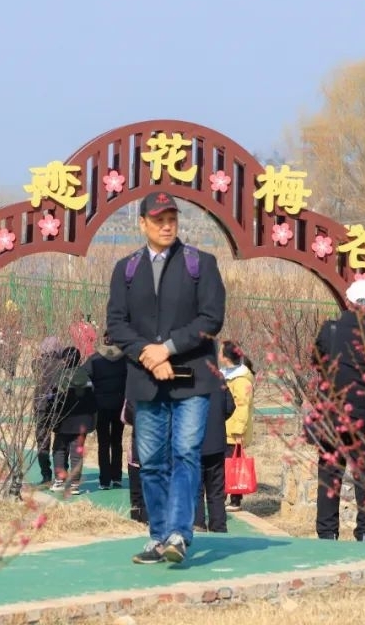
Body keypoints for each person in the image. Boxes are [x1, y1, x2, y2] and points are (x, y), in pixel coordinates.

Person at [106, 191, 226, 565]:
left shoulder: (200, 264)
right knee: (153, 460)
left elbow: (211, 319)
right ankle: (158, 537)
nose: (166, 225)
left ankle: (179, 534)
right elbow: (116, 324)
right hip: (146, 379)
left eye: (171, 218)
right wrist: (149, 353)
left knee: (186, 453)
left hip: (193, 380)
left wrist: (168, 349)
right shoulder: (126, 270)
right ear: (142, 223)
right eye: (158, 220)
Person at [310, 278, 365, 542]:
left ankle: (327, 533)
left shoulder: (330, 330)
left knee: (330, 472)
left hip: (332, 414)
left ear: (348, 301)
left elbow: (317, 362)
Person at [50, 346, 96, 495]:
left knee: (59, 449)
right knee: (77, 452)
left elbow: (52, 399)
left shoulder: (59, 376)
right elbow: (93, 399)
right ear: (78, 359)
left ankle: (59, 480)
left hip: (63, 420)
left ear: (64, 360)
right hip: (82, 421)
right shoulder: (86, 376)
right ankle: (75, 484)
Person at [86, 332, 127, 490]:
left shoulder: (94, 359)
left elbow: (83, 376)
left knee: (103, 443)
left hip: (101, 405)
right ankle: (117, 477)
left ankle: (104, 480)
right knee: (117, 441)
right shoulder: (125, 359)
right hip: (119, 404)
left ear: (104, 340)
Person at [194, 382, 235, 533]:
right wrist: (217, 419)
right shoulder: (218, 379)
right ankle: (218, 526)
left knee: (195, 488)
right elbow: (230, 406)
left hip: (193, 442)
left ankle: (197, 523)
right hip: (216, 442)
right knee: (216, 490)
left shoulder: (186, 379)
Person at [220, 340, 256, 513]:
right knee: (228, 464)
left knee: (232, 465)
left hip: (233, 431)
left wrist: (238, 430)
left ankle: (233, 500)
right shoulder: (226, 374)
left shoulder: (241, 379)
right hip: (225, 427)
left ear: (226, 357)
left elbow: (242, 406)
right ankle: (226, 498)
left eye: (220, 351)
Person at [32, 336, 64, 486]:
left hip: (40, 407)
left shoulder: (36, 363)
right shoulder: (62, 365)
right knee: (60, 441)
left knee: (42, 441)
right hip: (58, 407)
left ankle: (46, 474)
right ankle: (61, 473)